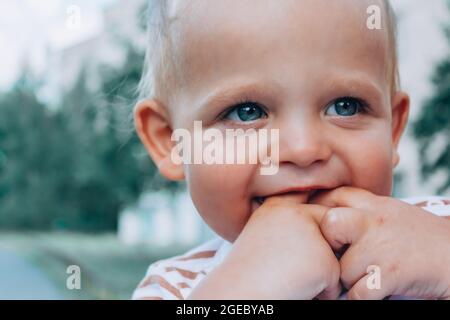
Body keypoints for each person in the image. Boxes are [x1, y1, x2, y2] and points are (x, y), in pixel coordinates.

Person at [132, 0, 450, 300]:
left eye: (345, 106)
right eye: (247, 112)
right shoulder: (175, 288)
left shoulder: (435, 228)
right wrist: (246, 288)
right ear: (172, 140)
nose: (303, 149)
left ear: (393, 128)